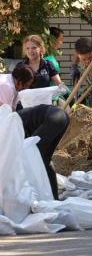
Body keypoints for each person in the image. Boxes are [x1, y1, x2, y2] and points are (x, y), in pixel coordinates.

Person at [1, 65, 69, 200]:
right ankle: (54, 200)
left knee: (30, 158)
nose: (26, 88)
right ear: (19, 80)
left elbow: (6, 118)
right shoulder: (6, 86)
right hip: (62, 117)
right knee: (43, 160)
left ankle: (35, 199)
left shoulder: (14, 121)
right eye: (26, 84)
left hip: (52, 119)